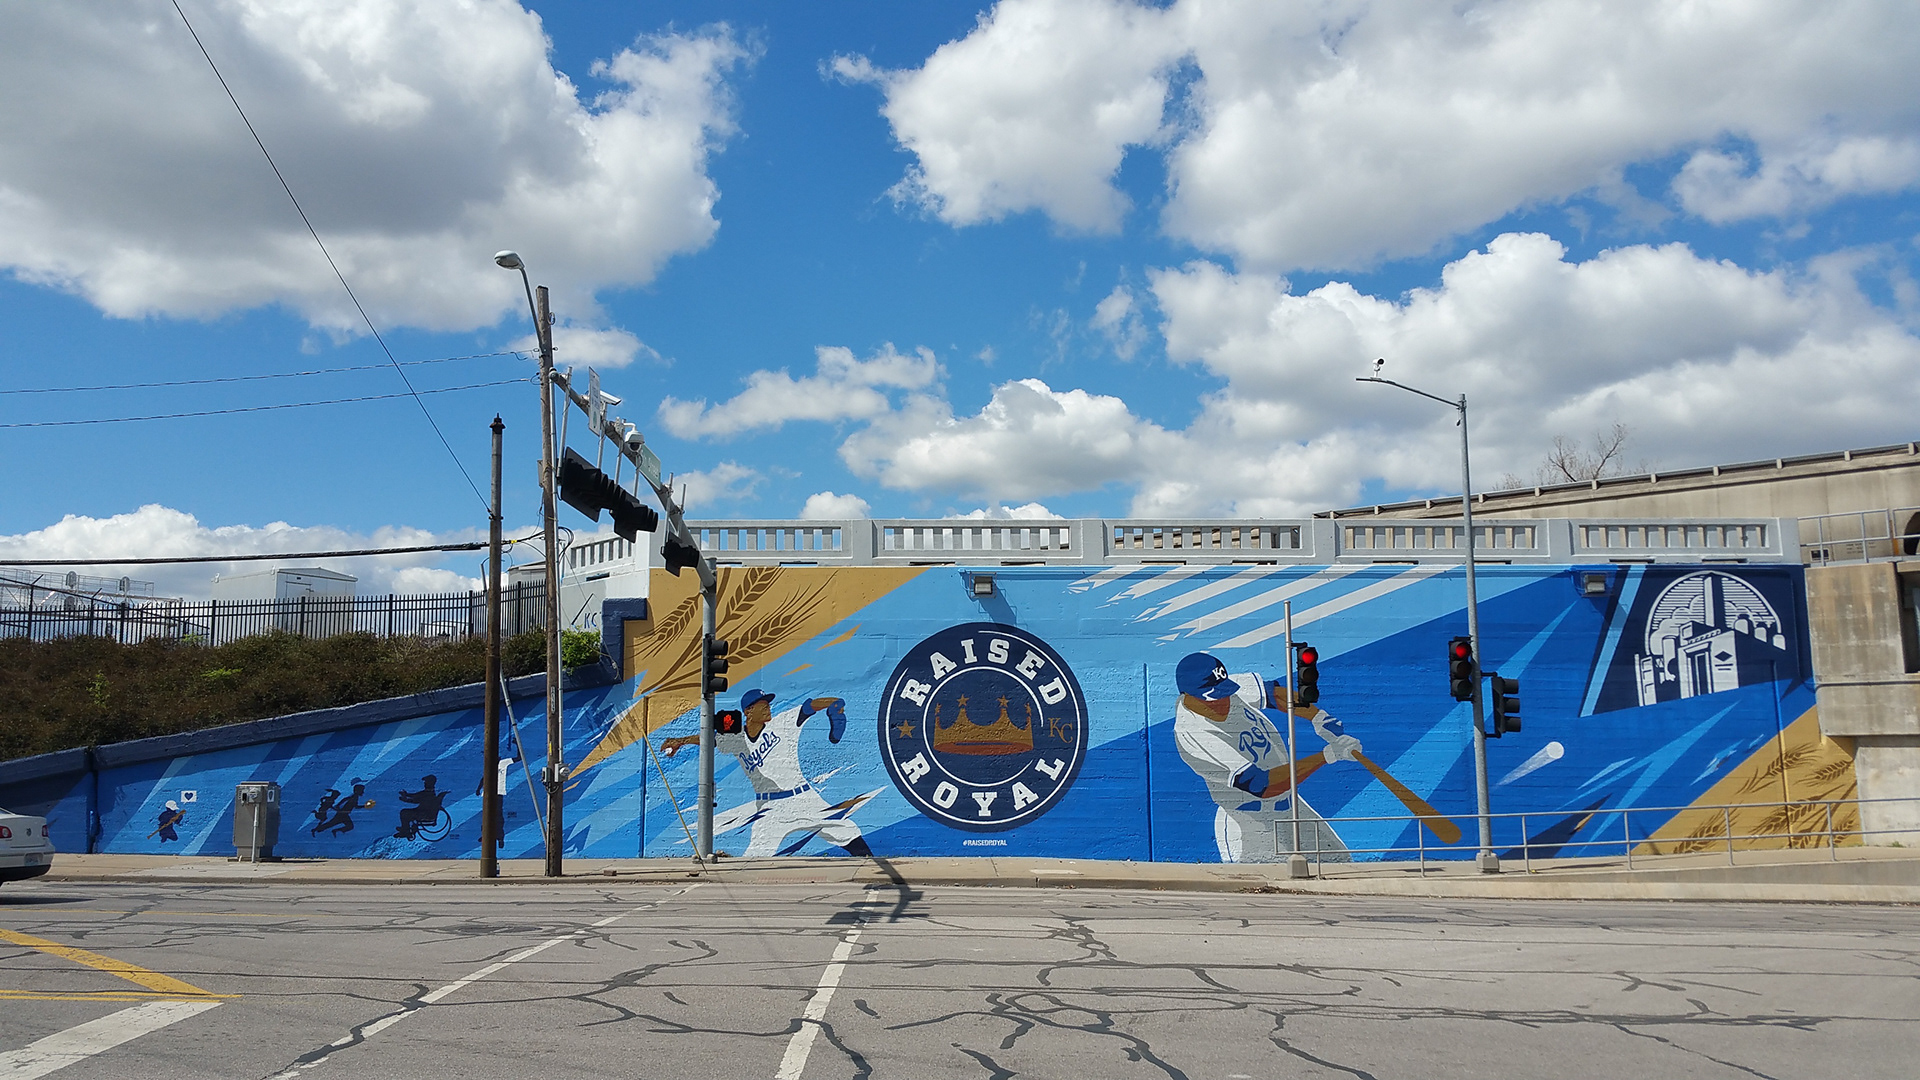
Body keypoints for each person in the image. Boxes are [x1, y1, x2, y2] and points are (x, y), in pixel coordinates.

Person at [1172, 652, 1361, 863]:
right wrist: (1327, 756)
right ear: (1189, 696)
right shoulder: (1193, 733)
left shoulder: (1225, 687)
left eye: (1224, 691)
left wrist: (1317, 717)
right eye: (1214, 697)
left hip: (1291, 805)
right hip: (1249, 822)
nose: (1224, 700)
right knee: (1266, 883)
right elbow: (1262, 784)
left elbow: (1275, 694)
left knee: (1340, 862)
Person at [662, 689, 870, 857]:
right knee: (756, 854)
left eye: (768, 704)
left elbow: (809, 707)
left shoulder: (781, 724)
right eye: (763, 705)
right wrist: (680, 741)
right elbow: (709, 738)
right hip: (769, 808)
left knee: (846, 830)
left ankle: (870, 867)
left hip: (803, 799)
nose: (768, 708)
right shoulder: (737, 738)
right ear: (749, 712)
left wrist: (835, 703)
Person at [394, 775, 447, 840]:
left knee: (405, 813)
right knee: (405, 812)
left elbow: (416, 799)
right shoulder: (429, 792)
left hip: (424, 815)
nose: (424, 783)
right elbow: (417, 796)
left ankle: (405, 831)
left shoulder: (427, 794)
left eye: (426, 782)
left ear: (429, 783)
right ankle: (405, 828)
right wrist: (407, 795)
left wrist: (405, 799)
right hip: (424, 812)